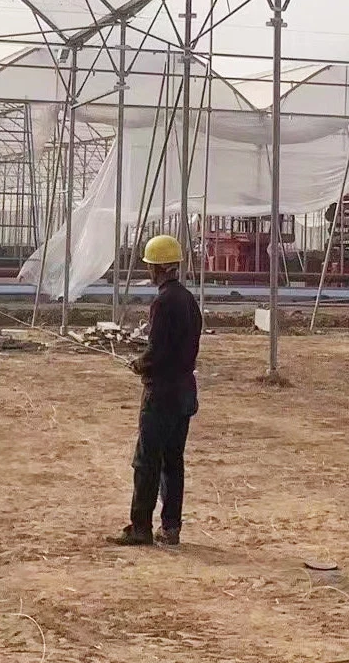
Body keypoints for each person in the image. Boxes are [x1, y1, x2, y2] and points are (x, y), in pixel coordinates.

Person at [111, 234, 202, 548]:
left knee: (147, 461)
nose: (148, 270)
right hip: (185, 391)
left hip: (162, 393)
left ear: (159, 267)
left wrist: (140, 364)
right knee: (173, 461)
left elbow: (158, 351)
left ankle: (140, 527)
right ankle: (171, 527)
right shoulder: (188, 299)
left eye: (150, 265)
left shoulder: (163, 302)